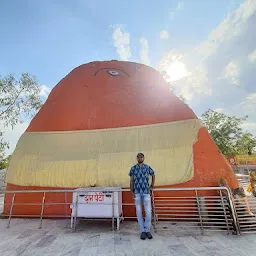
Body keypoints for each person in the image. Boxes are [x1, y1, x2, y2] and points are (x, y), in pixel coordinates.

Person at [129, 153, 155, 240]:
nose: (140, 158)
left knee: (148, 211)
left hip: (146, 192)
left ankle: (147, 230)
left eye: (141, 157)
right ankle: (142, 231)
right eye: (139, 157)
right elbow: (131, 180)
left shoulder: (147, 167)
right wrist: (131, 190)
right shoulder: (133, 168)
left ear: (144, 158)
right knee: (139, 211)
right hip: (137, 192)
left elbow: (153, 174)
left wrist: (152, 185)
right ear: (137, 158)